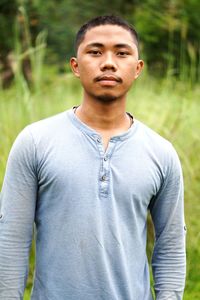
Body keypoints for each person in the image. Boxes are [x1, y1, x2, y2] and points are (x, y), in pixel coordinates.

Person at [0, 15, 186, 300]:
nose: (109, 62)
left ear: (137, 69)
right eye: (95, 51)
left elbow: (171, 245)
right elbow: (11, 238)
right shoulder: (35, 141)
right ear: (75, 65)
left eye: (122, 53)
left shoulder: (161, 153)